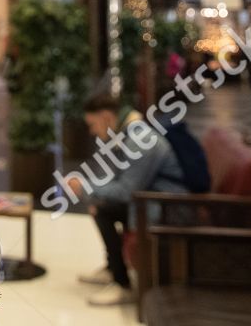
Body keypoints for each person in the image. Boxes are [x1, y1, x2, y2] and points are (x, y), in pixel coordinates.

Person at [71, 93, 190, 307]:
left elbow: (127, 190)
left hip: (168, 208)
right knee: (103, 208)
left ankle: (122, 284)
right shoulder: (129, 134)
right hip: (151, 201)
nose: (92, 131)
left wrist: (87, 186)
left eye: (93, 124)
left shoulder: (139, 140)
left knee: (104, 208)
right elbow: (123, 180)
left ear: (107, 117)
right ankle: (113, 269)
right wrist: (95, 192)